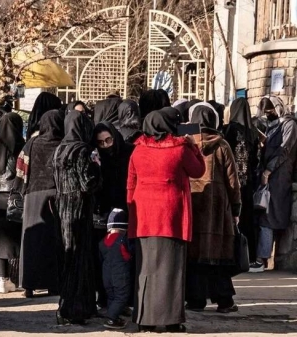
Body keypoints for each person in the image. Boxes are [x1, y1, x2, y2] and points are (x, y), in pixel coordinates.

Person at [127, 107, 205, 333]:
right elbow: (198, 170)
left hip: (144, 215)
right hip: (172, 214)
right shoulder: (179, 148)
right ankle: (170, 319)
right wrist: (194, 146)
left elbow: (130, 184)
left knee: (145, 269)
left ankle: (143, 317)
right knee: (171, 269)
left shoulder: (137, 151)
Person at [186, 104, 241, 314]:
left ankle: (195, 300)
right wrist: (236, 209)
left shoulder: (187, 142)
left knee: (194, 256)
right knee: (218, 258)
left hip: (193, 202)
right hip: (217, 208)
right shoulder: (222, 144)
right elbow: (232, 181)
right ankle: (224, 300)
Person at [53, 110, 100, 325]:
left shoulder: (60, 149)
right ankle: (77, 308)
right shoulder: (82, 150)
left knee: (68, 256)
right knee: (80, 258)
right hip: (79, 207)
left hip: (62, 206)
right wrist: (98, 168)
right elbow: (87, 182)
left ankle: (65, 305)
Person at [16, 110, 65, 298]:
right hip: (56, 196)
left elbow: (20, 168)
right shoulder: (62, 145)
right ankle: (53, 284)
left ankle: (29, 285)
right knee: (53, 242)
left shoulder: (32, 144)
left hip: (33, 197)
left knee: (31, 241)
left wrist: (21, 189)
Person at [250, 96, 297, 272]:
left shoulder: (289, 125)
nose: (268, 115)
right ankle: (262, 258)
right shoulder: (274, 125)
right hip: (269, 177)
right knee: (264, 216)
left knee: (268, 219)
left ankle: (262, 259)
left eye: (270, 112)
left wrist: (269, 170)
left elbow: (284, 150)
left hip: (278, 178)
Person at [93, 121, 135, 312]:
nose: (106, 146)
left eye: (108, 140)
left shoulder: (128, 152)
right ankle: (106, 298)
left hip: (127, 212)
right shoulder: (97, 158)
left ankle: (124, 300)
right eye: (101, 143)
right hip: (105, 217)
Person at [0, 112, 25, 294]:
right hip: (16, 196)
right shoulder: (22, 147)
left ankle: (3, 280)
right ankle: (24, 280)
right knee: (21, 237)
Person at [223, 98, 260, 261]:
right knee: (248, 219)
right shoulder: (253, 132)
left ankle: (233, 256)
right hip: (248, 182)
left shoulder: (229, 130)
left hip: (232, 182)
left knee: (233, 218)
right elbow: (255, 160)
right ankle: (249, 257)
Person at [99, 208, 132, 330]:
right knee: (121, 296)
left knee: (111, 296)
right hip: (120, 273)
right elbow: (128, 255)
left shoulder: (102, 242)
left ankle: (114, 315)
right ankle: (111, 318)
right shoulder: (123, 240)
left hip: (106, 273)